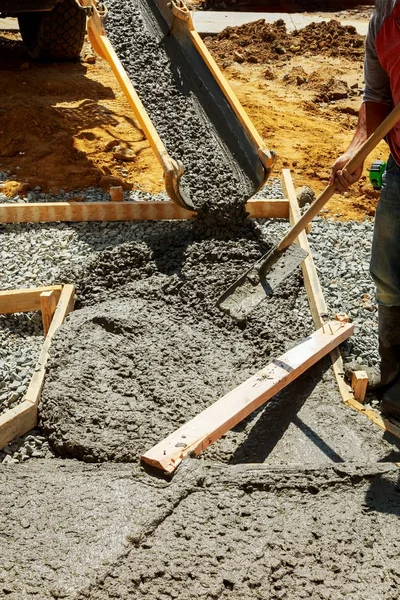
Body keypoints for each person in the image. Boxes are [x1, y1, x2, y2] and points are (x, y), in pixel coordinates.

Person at [330, 0, 400, 420]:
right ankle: (393, 376)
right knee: (389, 276)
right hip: (399, 163)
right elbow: (378, 95)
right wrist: (357, 151)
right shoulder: (385, 14)